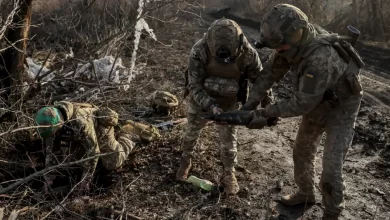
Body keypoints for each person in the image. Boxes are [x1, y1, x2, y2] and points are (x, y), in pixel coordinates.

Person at [241, 4, 364, 219]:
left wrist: (263, 113)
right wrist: (249, 105)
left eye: (281, 47)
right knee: (302, 151)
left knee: (331, 170)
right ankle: (306, 193)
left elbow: (301, 104)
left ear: (296, 35)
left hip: (342, 108)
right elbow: (269, 74)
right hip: (319, 100)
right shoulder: (289, 43)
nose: (278, 51)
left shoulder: (320, 58)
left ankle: (332, 212)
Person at [176, 18, 272, 195]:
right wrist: (210, 105)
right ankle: (186, 159)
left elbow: (260, 81)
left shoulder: (247, 53)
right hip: (202, 100)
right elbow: (194, 85)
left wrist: (268, 105)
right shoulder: (200, 50)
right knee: (191, 134)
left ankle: (229, 173)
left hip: (230, 101)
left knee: (228, 143)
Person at [34, 101, 135, 192]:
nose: (52, 136)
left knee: (113, 162)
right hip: (78, 136)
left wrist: (86, 180)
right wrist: (49, 177)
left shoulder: (80, 121)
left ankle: (128, 133)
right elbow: (52, 151)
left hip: (100, 129)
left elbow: (94, 152)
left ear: (59, 125)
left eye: (53, 133)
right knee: (72, 163)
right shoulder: (51, 121)